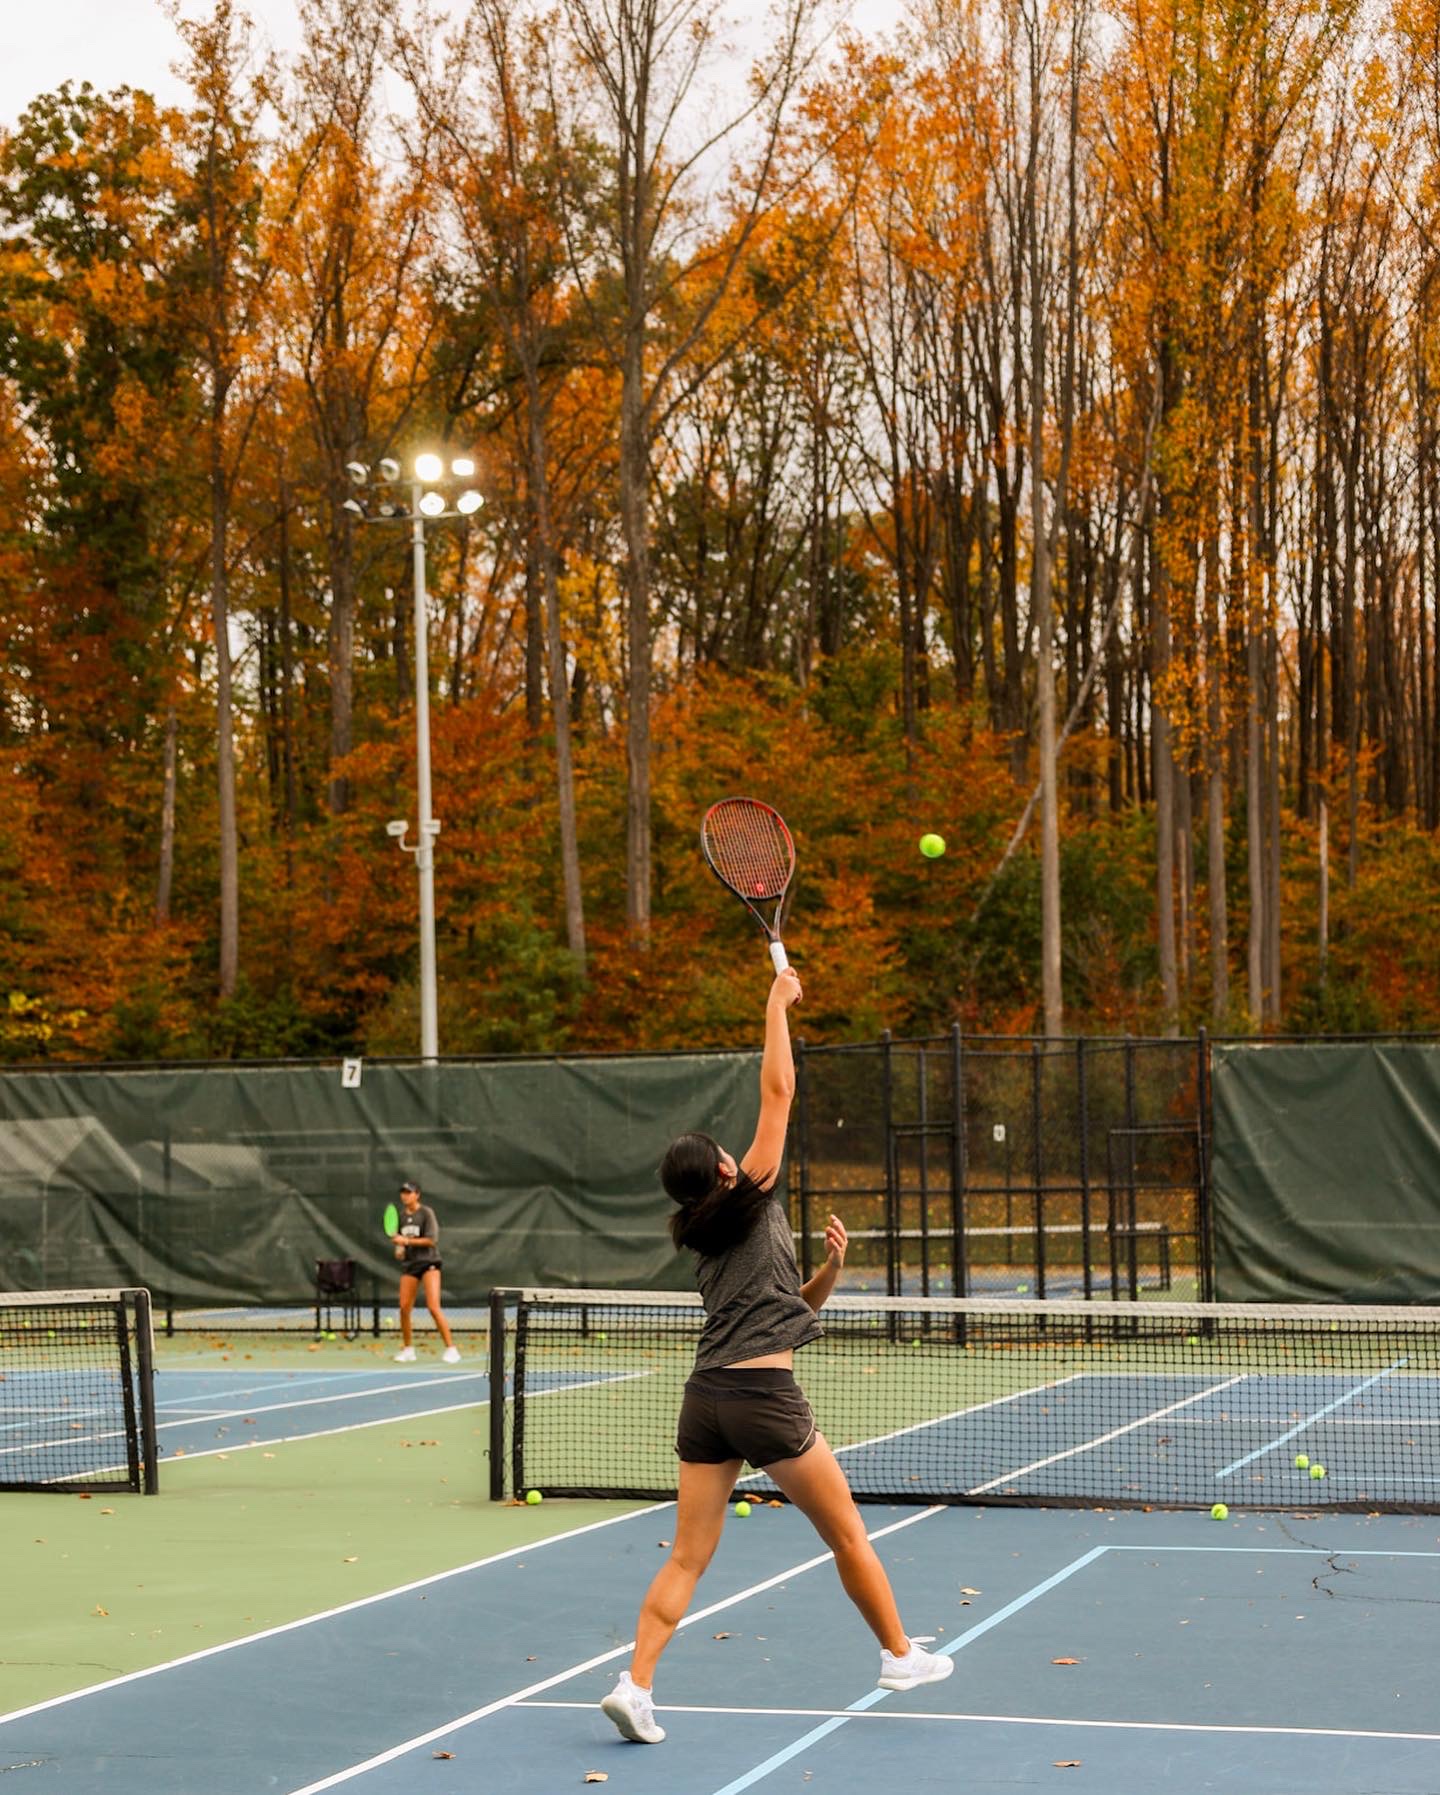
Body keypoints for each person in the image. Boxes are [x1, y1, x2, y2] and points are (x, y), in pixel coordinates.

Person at [599, 967, 952, 1746]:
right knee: (848, 1534)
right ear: (725, 1171)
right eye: (728, 1151)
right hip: (763, 1401)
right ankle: (899, 1655)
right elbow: (779, 1090)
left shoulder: (706, 1235)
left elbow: (785, 1311)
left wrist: (830, 1270)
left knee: (687, 1557)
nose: (738, 1149)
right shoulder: (749, 1191)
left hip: (706, 1401)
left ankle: (635, 1684)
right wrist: (776, 1002)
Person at [390, 1180, 460, 1364]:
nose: (405, 1196)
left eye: (409, 1192)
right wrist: (399, 1249)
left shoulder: (426, 1213)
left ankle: (451, 1349)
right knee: (404, 1308)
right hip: (410, 1265)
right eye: (403, 1192)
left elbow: (431, 1240)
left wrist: (406, 1241)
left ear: (417, 1195)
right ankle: (408, 1350)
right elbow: (400, 1246)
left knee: (433, 1307)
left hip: (429, 1263)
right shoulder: (401, 1217)